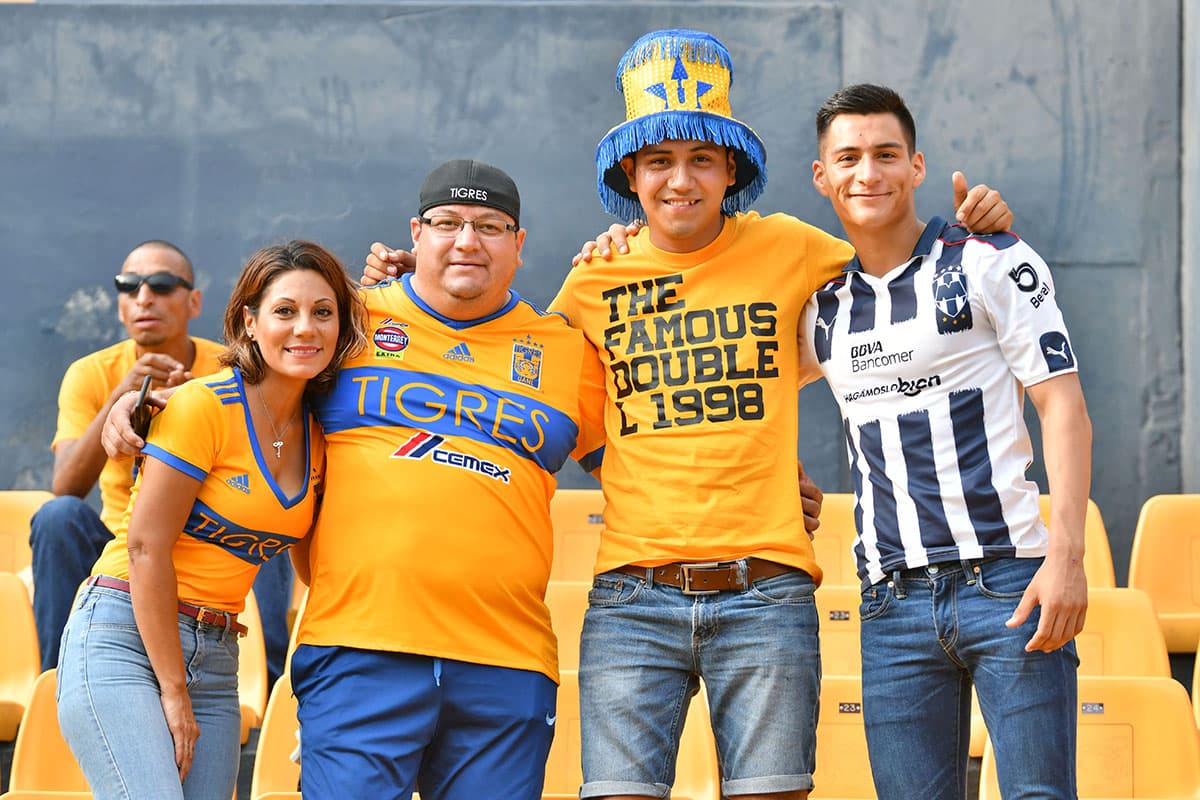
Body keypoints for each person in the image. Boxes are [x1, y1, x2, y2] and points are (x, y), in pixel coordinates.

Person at [364, 31, 1011, 800]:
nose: (681, 180)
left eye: (701, 160)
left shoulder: (793, 249)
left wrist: (974, 226)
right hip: (633, 596)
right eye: (659, 162)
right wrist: (390, 291)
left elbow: (897, 283)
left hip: (767, 593)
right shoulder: (590, 283)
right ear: (630, 176)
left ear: (730, 170)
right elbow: (557, 415)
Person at [104, 160, 607, 799]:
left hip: (506, 662)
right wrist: (142, 403)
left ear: (520, 243)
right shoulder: (350, 322)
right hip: (357, 651)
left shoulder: (565, 348)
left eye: (490, 226)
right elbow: (248, 383)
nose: (467, 241)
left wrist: (628, 248)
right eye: (447, 223)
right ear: (415, 234)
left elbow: (641, 458)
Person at [796, 83, 1090, 800]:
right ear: (823, 176)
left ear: (917, 165)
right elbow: (740, 398)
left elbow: (1064, 409)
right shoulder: (818, 308)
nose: (869, 173)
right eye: (850, 158)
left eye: (886, 154)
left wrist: (1067, 558)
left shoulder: (990, 259)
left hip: (1009, 582)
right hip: (889, 603)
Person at [57, 240, 367, 800]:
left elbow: (317, 576)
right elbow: (147, 548)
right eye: (284, 311)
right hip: (124, 634)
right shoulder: (203, 405)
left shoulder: (325, 438)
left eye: (324, 312)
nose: (305, 328)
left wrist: (328, 696)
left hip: (219, 654)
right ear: (249, 322)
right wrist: (173, 690)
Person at [30, 240, 295, 686]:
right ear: (119, 305)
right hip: (120, 544)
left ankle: (267, 686)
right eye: (129, 287)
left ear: (194, 301)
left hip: (210, 539)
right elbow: (66, 485)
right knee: (58, 516)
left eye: (162, 285)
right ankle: (59, 684)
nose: (144, 297)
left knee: (271, 517)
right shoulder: (92, 373)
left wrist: (202, 406)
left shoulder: (231, 368)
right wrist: (120, 399)